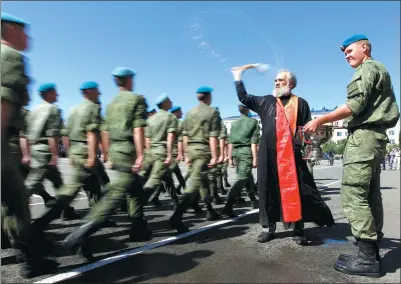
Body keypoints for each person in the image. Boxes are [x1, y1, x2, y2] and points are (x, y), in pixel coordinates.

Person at [304, 34, 400, 278]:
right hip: (375, 137)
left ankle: (367, 258)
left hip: (364, 138)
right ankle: (370, 249)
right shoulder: (379, 69)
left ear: (365, 47)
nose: (346, 54)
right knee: (369, 194)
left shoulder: (367, 69)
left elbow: (354, 106)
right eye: (344, 52)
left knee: (353, 193)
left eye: (349, 50)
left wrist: (320, 119)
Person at [230, 65, 335, 245]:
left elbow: (306, 129)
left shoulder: (300, 103)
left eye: (281, 80)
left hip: (292, 155)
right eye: (276, 80)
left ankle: (298, 229)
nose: (277, 82)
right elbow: (243, 97)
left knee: (298, 190)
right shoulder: (266, 101)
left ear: (291, 83)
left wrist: (311, 149)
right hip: (268, 155)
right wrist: (238, 77)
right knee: (267, 189)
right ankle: (267, 228)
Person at [1, 11, 59, 277]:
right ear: (10, 28)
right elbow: (3, 103)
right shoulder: (10, 57)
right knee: (17, 201)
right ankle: (29, 260)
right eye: (24, 30)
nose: (28, 36)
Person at [168, 86, 220, 233]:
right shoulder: (212, 112)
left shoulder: (190, 113)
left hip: (191, 148)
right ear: (208, 97)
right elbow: (213, 136)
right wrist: (215, 156)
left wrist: (186, 154)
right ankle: (176, 217)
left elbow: (184, 135)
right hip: (203, 150)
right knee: (194, 184)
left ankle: (210, 210)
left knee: (203, 182)